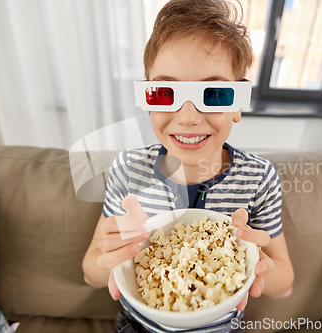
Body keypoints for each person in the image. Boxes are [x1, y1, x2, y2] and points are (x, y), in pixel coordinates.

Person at [82, 0, 294, 332]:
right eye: (165, 93)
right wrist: (109, 260)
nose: (189, 117)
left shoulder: (258, 178)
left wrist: (256, 261)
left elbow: (286, 283)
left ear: (237, 105)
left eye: (216, 94)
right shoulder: (128, 167)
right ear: (148, 101)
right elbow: (90, 271)